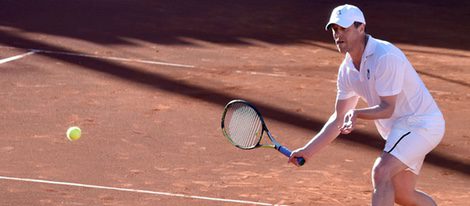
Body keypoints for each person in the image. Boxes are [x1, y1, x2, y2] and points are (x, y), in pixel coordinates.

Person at [288, 4, 445, 206]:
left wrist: (357, 113)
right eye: (335, 30)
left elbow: (387, 108)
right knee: (403, 194)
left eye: (344, 29)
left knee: (381, 172)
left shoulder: (384, 56)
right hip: (401, 130)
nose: (338, 35)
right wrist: (308, 151)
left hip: (420, 124)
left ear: (361, 27)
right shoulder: (347, 70)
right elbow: (338, 117)